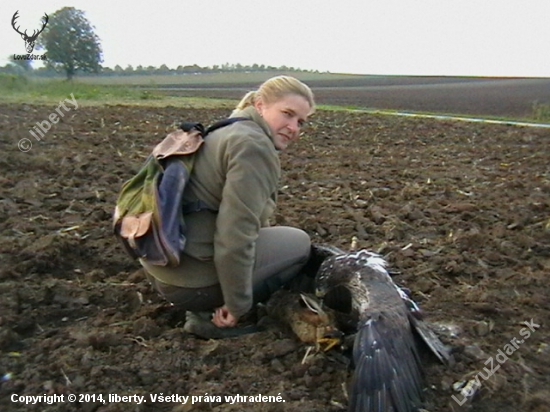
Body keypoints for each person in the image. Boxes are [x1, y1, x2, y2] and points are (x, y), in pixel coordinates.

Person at [140, 75, 316, 334]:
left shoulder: (224, 129)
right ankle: (211, 316)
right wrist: (237, 304)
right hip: (192, 285)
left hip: (164, 269)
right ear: (259, 105)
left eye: (300, 121)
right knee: (299, 243)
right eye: (287, 114)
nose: (293, 127)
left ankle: (203, 305)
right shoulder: (253, 145)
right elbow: (235, 235)